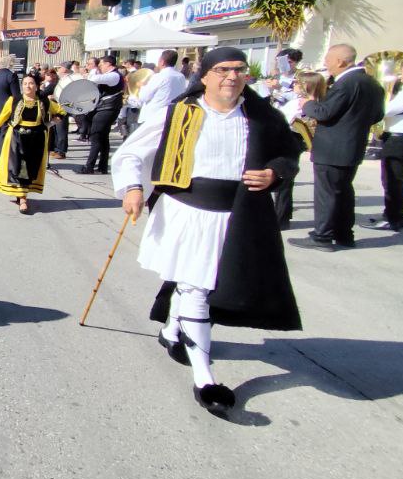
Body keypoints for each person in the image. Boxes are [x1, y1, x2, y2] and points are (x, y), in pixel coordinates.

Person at [112, 46, 302, 415]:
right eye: (223, 70)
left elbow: (289, 152)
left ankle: (171, 331)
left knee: (199, 283)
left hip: (238, 215)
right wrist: (133, 188)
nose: (232, 76)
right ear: (205, 76)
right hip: (187, 212)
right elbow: (131, 153)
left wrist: (274, 173)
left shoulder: (261, 116)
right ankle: (205, 378)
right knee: (197, 288)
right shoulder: (180, 113)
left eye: (239, 70)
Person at [293, 44, 385, 251]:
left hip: (332, 148)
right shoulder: (372, 83)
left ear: (340, 61)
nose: (326, 64)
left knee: (326, 194)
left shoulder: (346, 83)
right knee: (343, 192)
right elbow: (377, 115)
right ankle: (344, 235)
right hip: (353, 146)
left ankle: (322, 237)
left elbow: (324, 112)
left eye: (328, 60)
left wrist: (307, 104)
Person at [0, 73, 69, 214]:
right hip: (16, 138)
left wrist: (51, 123)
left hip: (36, 139)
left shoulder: (43, 101)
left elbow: (61, 111)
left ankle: (21, 195)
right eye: (25, 84)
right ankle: (23, 199)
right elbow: (3, 116)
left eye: (31, 83)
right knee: (19, 168)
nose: (28, 86)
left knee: (30, 168)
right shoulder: (14, 100)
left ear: (36, 86)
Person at [364, 56, 403, 233]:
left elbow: (388, 110)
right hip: (402, 138)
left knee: (393, 180)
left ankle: (394, 219)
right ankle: (390, 214)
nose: (400, 74)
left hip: (402, 139)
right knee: (391, 180)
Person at [274, 70, 326, 229]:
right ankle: (283, 214)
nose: (294, 85)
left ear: (306, 85)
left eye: (297, 82)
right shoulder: (319, 102)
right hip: (296, 139)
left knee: (283, 179)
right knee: (286, 180)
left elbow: (284, 118)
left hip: (291, 138)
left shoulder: (301, 103)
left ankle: (280, 218)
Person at [79, 54, 123, 175]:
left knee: (96, 136)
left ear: (108, 64)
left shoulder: (114, 75)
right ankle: (102, 167)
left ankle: (89, 166)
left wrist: (92, 71)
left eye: (102, 64)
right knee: (103, 138)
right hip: (105, 108)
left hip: (108, 109)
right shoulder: (110, 75)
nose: (100, 67)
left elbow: (94, 79)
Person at [137, 49, 187, 125]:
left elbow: (144, 97)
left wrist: (142, 86)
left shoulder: (158, 77)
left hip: (153, 116)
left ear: (162, 62)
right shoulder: (181, 77)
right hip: (171, 115)